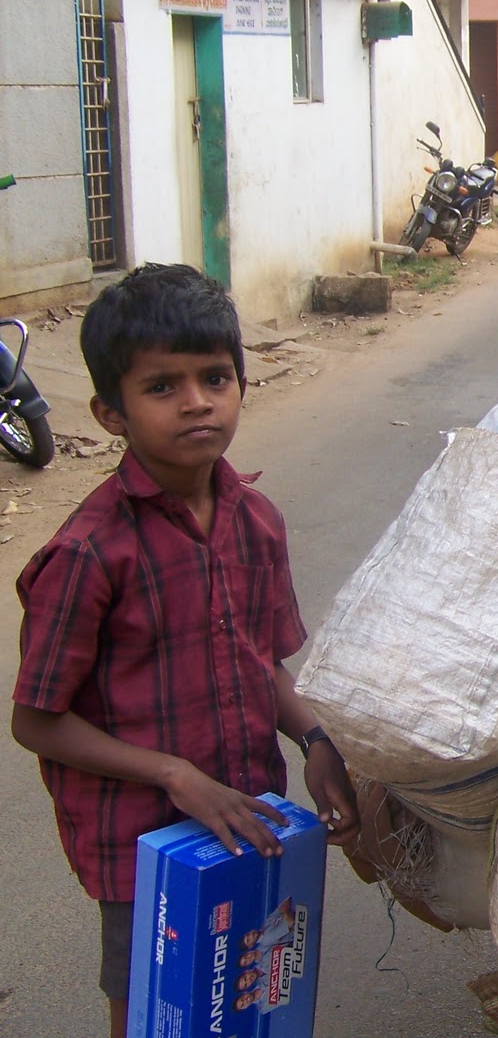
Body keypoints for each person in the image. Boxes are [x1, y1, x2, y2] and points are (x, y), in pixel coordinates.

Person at [9, 264, 360, 1038]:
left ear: (242, 384)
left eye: (215, 377)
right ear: (111, 413)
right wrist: (175, 776)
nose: (198, 401)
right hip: (143, 843)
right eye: (163, 387)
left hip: (249, 811)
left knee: (249, 996)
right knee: (156, 1010)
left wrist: (317, 739)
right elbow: (36, 721)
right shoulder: (90, 553)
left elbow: (259, 661)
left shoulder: (254, 519)